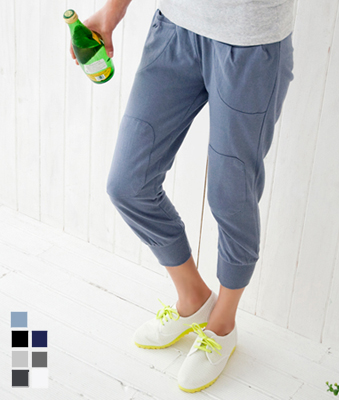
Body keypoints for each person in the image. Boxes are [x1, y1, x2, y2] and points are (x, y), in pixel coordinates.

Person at [70, 0, 295, 393]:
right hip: (176, 26)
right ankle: (193, 298)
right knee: (128, 183)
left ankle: (222, 324)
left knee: (231, 196)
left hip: (250, 42)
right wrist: (113, 10)